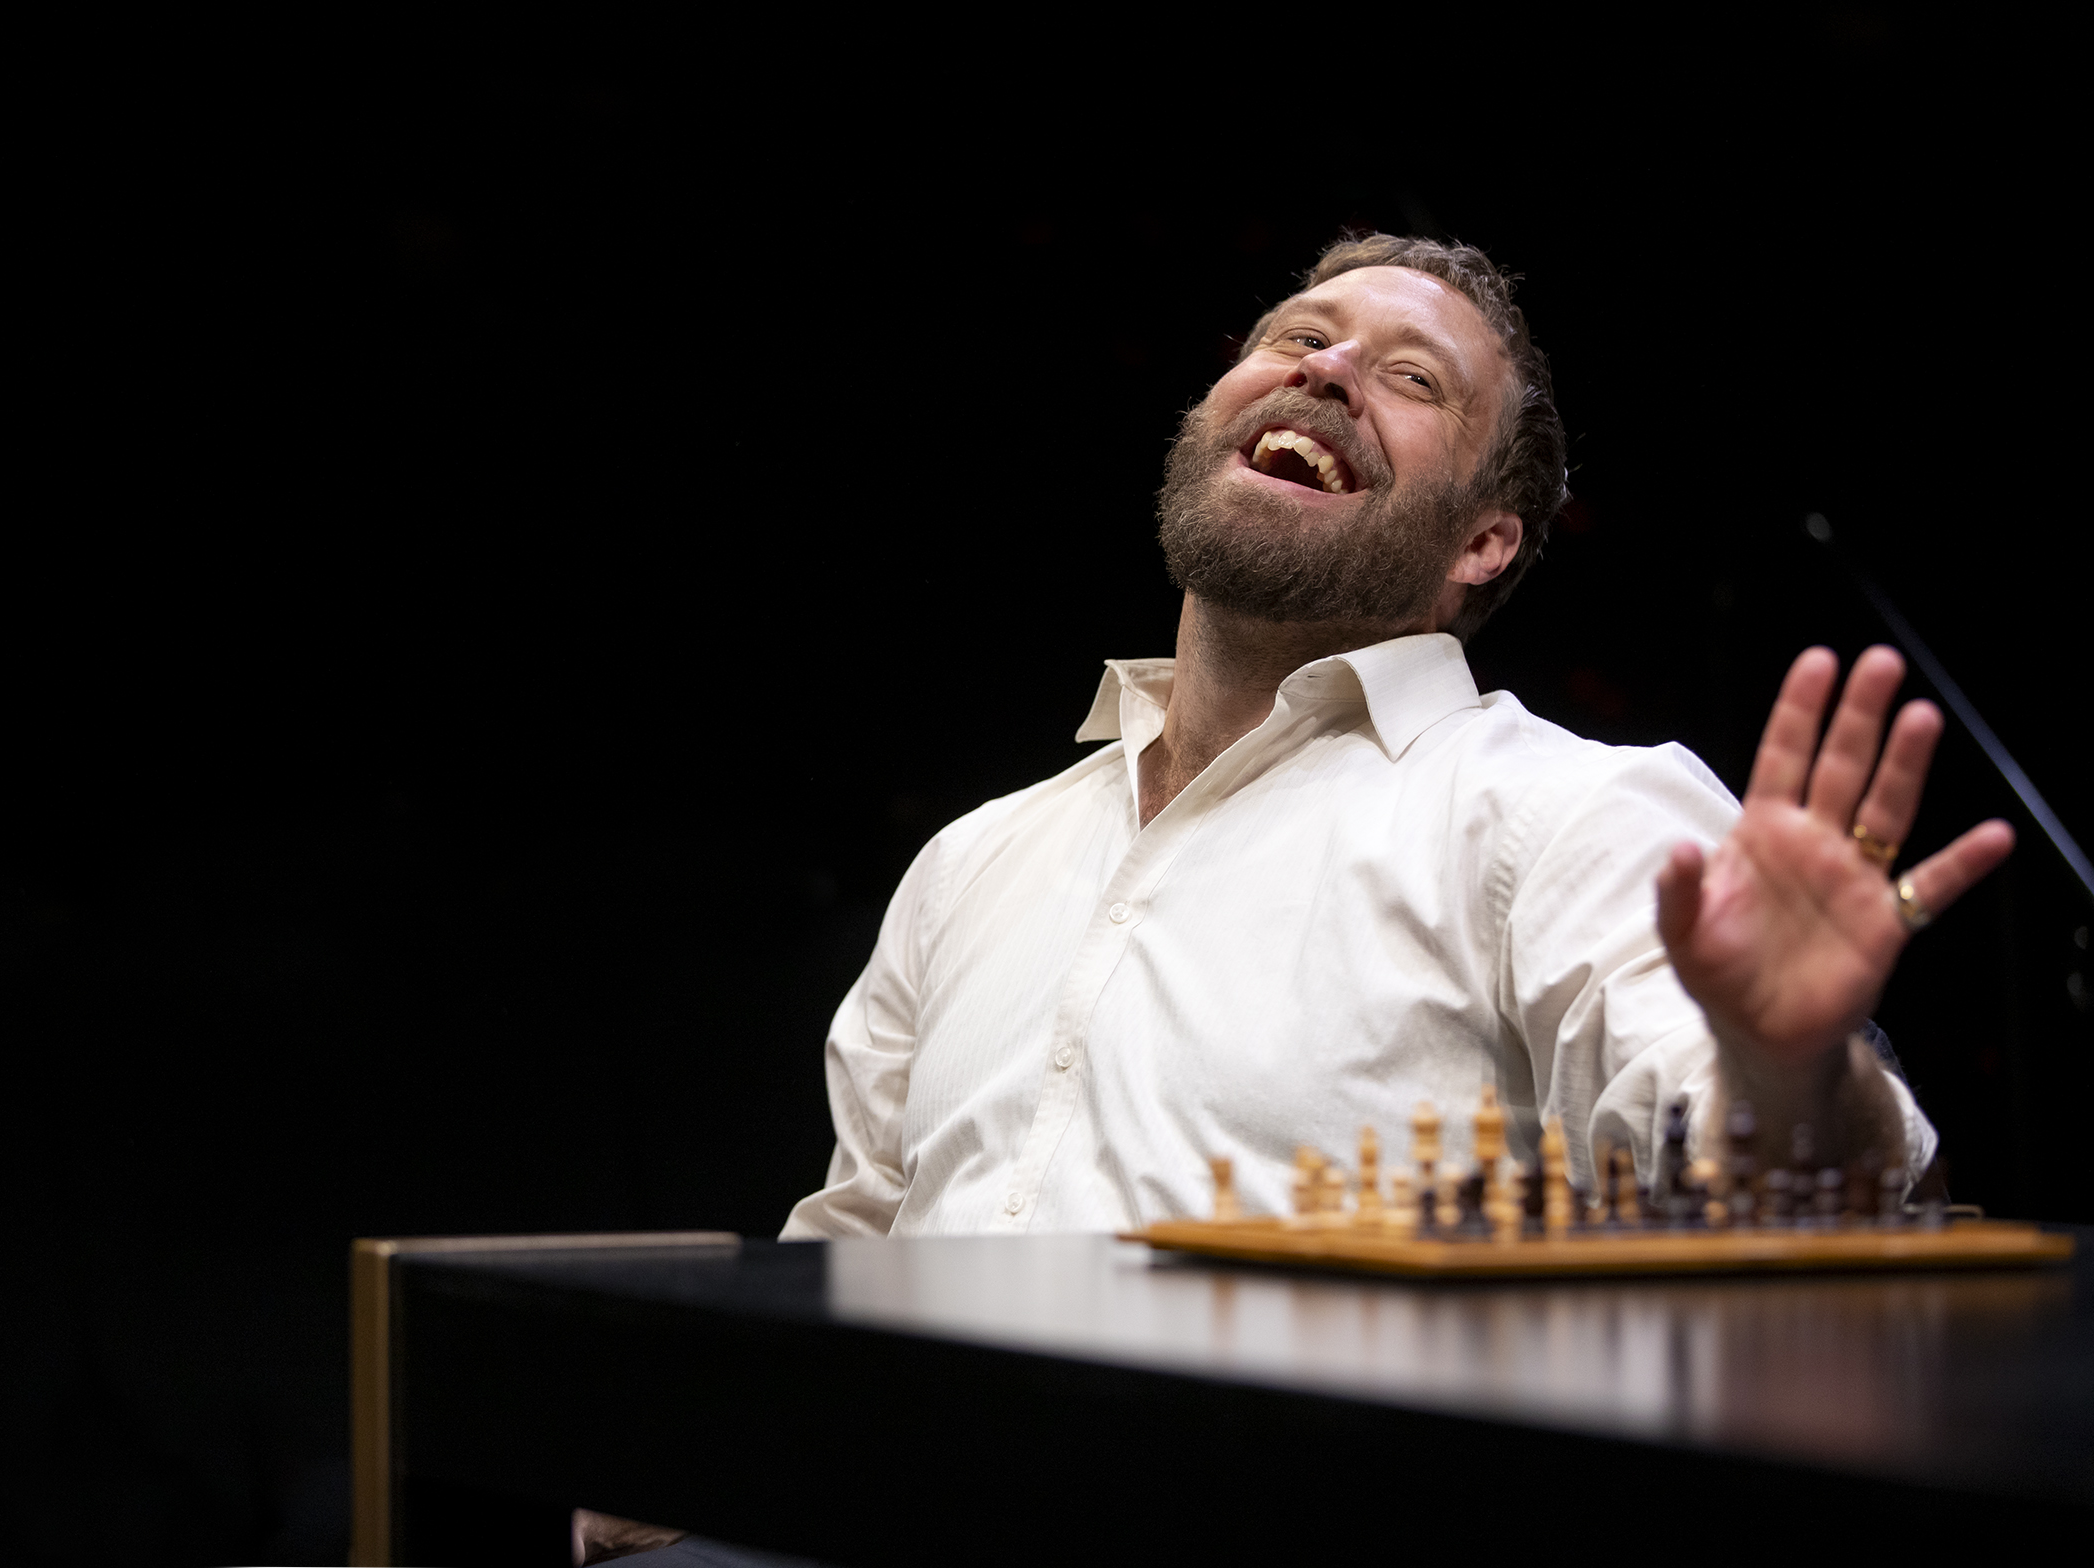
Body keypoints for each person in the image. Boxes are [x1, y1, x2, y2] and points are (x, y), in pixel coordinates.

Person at [779, 233, 2017, 1237]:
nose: (1326, 370)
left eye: (1414, 378)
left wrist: (1789, 1071)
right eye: (1296, 337)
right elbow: (842, 1263)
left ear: (1483, 541)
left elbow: (1808, 1206)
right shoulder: (970, 861)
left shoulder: (1566, 818)